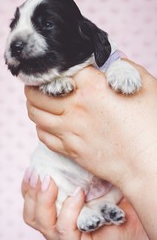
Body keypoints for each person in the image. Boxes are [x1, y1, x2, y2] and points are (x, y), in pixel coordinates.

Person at [22, 59, 157, 239]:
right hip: (74, 179)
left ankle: (96, 205)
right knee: (50, 180)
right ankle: (84, 210)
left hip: (114, 187)